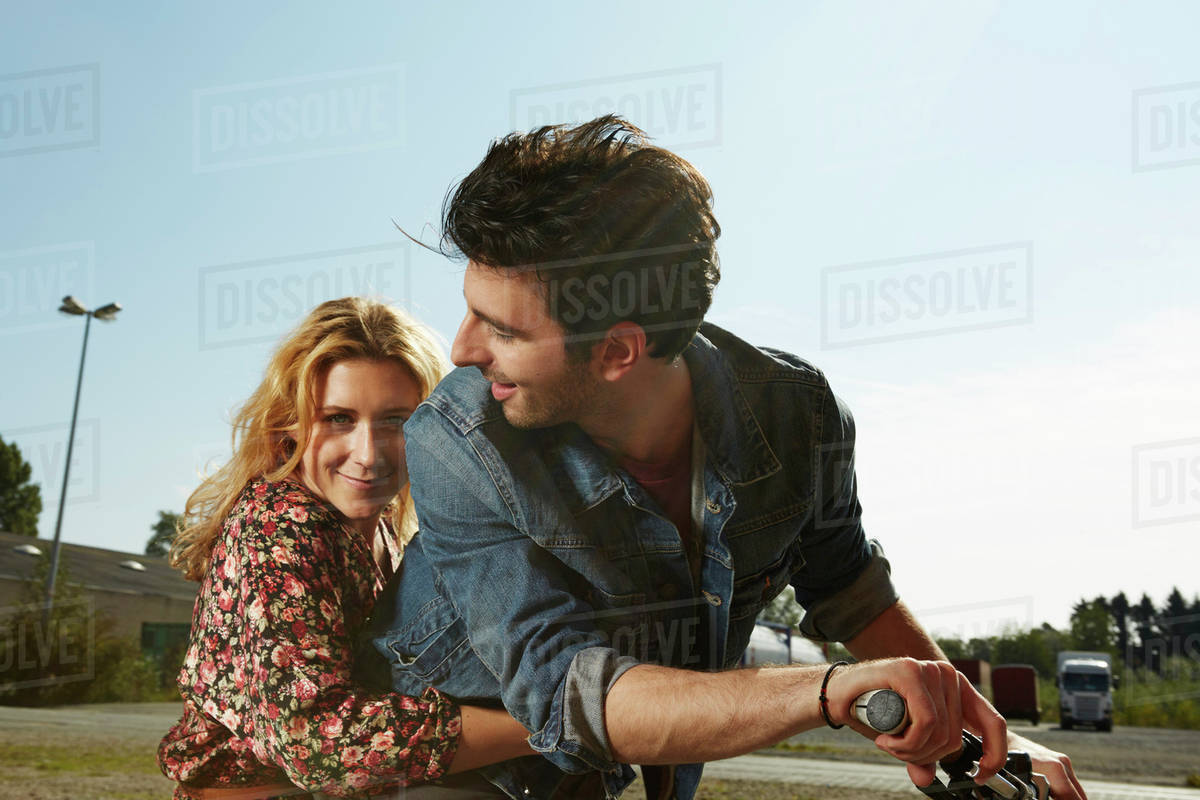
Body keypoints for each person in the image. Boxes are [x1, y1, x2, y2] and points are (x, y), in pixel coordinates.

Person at [362, 117, 1088, 800]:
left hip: (604, 771)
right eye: (469, 310)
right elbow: (567, 692)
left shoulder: (798, 414)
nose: (460, 349)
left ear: (618, 352)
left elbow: (848, 584)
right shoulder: (458, 440)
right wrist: (827, 692)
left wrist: (989, 739)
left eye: (502, 330)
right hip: (440, 759)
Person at [157, 298, 532, 800]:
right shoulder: (280, 524)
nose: (369, 454)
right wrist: (550, 727)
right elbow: (314, 742)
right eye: (338, 418)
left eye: (396, 421)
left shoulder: (381, 531)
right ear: (290, 423)